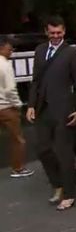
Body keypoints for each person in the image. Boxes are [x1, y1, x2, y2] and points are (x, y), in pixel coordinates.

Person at [26, 16, 76, 211]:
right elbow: (35, 81)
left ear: (64, 31)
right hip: (43, 108)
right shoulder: (40, 50)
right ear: (46, 32)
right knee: (42, 149)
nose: (55, 36)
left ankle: (69, 194)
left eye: (59, 33)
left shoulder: (72, 53)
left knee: (64, 152)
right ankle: (58, 184)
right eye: (52, 33)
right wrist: (31, 105)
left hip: (64, 110)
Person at [0, 37, 34, 178]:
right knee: (17, 139)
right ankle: (18, 168)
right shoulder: (5, 65)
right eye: (9, 49)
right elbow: (10, 89)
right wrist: (18, 104)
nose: (11, 52)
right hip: (6, 106)